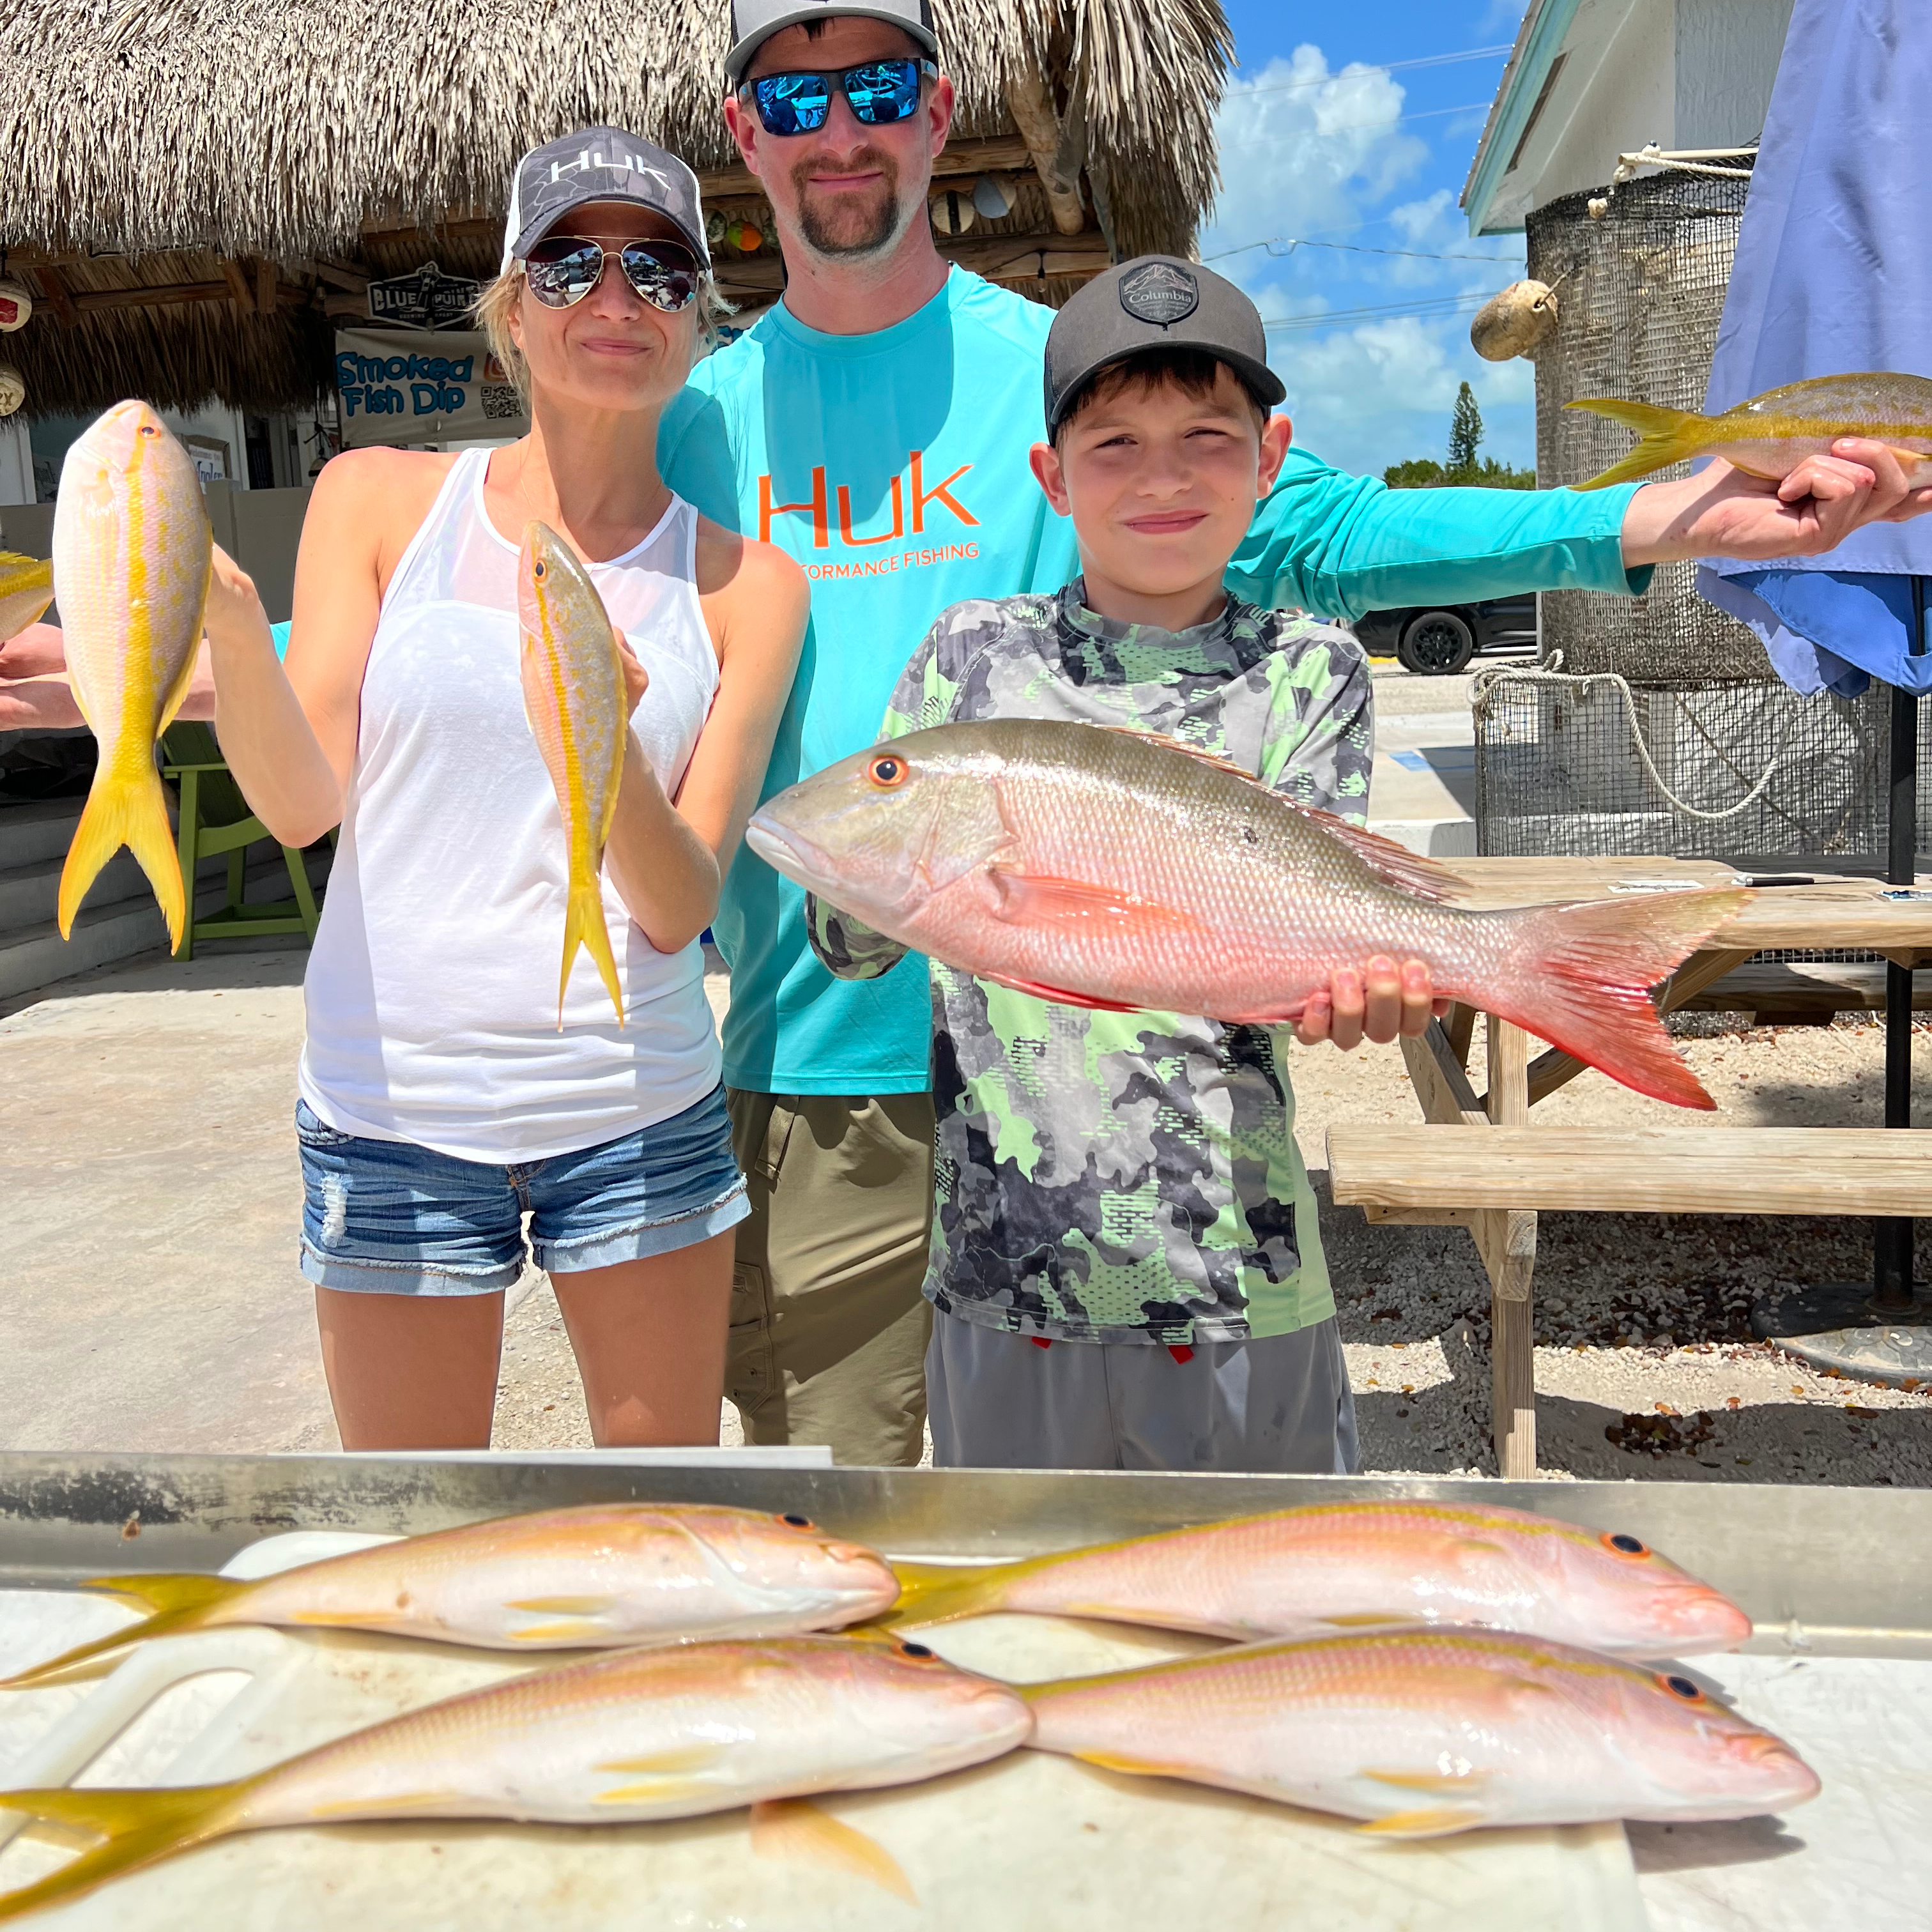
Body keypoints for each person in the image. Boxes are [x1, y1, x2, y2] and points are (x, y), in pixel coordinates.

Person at [641, 0, 1932, 1466]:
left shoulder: (1063, 360)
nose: (842, 128)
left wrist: (1666, 515)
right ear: (743, 132)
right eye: (794, 99)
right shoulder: (694, 419)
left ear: (939, 108)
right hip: (826, 1068)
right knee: (882, 1543)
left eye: (876, 83)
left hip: (1169, 1080)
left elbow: (1343, 526)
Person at [192, 128, 808, 1450]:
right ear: (510, 310)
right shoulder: (375, 499)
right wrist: (237, 640)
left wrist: (599, 743)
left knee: (660, 1530)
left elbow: (678, 903)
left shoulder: (750, 587)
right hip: (388, 1112)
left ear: (700, 318)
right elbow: (302, 804)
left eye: (657, 269)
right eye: (570, 262)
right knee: (415, 1545)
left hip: (634, 1109)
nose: (615, 297)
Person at [803, 259, 1422, 1469]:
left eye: (1206, 436)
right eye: (1114, 444)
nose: (1164, 477)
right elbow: (846, 942)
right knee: (1031, 1627)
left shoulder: (1313, 667)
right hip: (1004, 1275)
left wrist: (1375, 980)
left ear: (1271, 453)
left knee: (1258, 1629)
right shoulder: (970, 656)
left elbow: (1314, 936)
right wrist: (880, 876)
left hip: (1239, 1274)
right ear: (1052, 477)